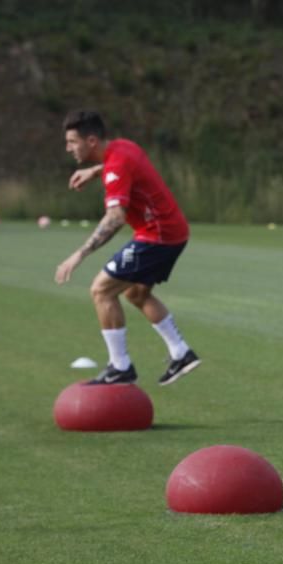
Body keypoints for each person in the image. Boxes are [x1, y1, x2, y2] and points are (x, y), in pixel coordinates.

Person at [55, 110, 200, 386]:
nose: (68, 148)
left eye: (73, 142)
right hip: (172, 232)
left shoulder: (117, 165)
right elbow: (120, 166)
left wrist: (79, 254)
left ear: (92, 141)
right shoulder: (122, 147)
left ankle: (120, 366)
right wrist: (95, 171)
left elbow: (115, 218)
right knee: (135, 292)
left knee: (101, 290)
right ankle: (181, 353)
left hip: (157, 236)